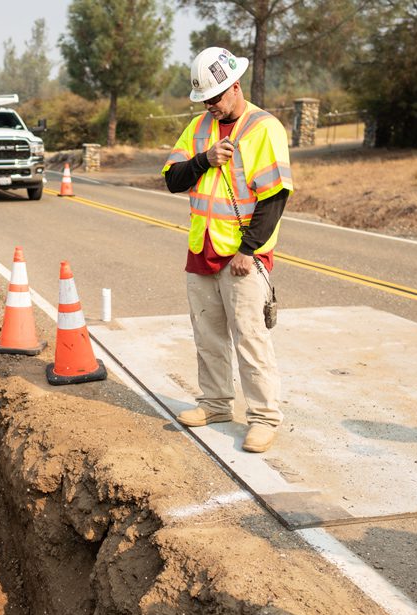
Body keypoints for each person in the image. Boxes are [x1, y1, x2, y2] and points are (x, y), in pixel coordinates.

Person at [161, 47, 293, 454]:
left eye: (216, 98)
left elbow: (274, 198)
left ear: (235, 87)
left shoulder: (264, 128)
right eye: (205, 100)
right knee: (208, 335)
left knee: (250, 338)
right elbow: (172, 178)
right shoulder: (199, 129)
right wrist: (204, 159)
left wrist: (247, 251)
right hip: (201, 249)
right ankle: (216, 404)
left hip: (241, 257)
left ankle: (264, 418)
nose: (210, 106)